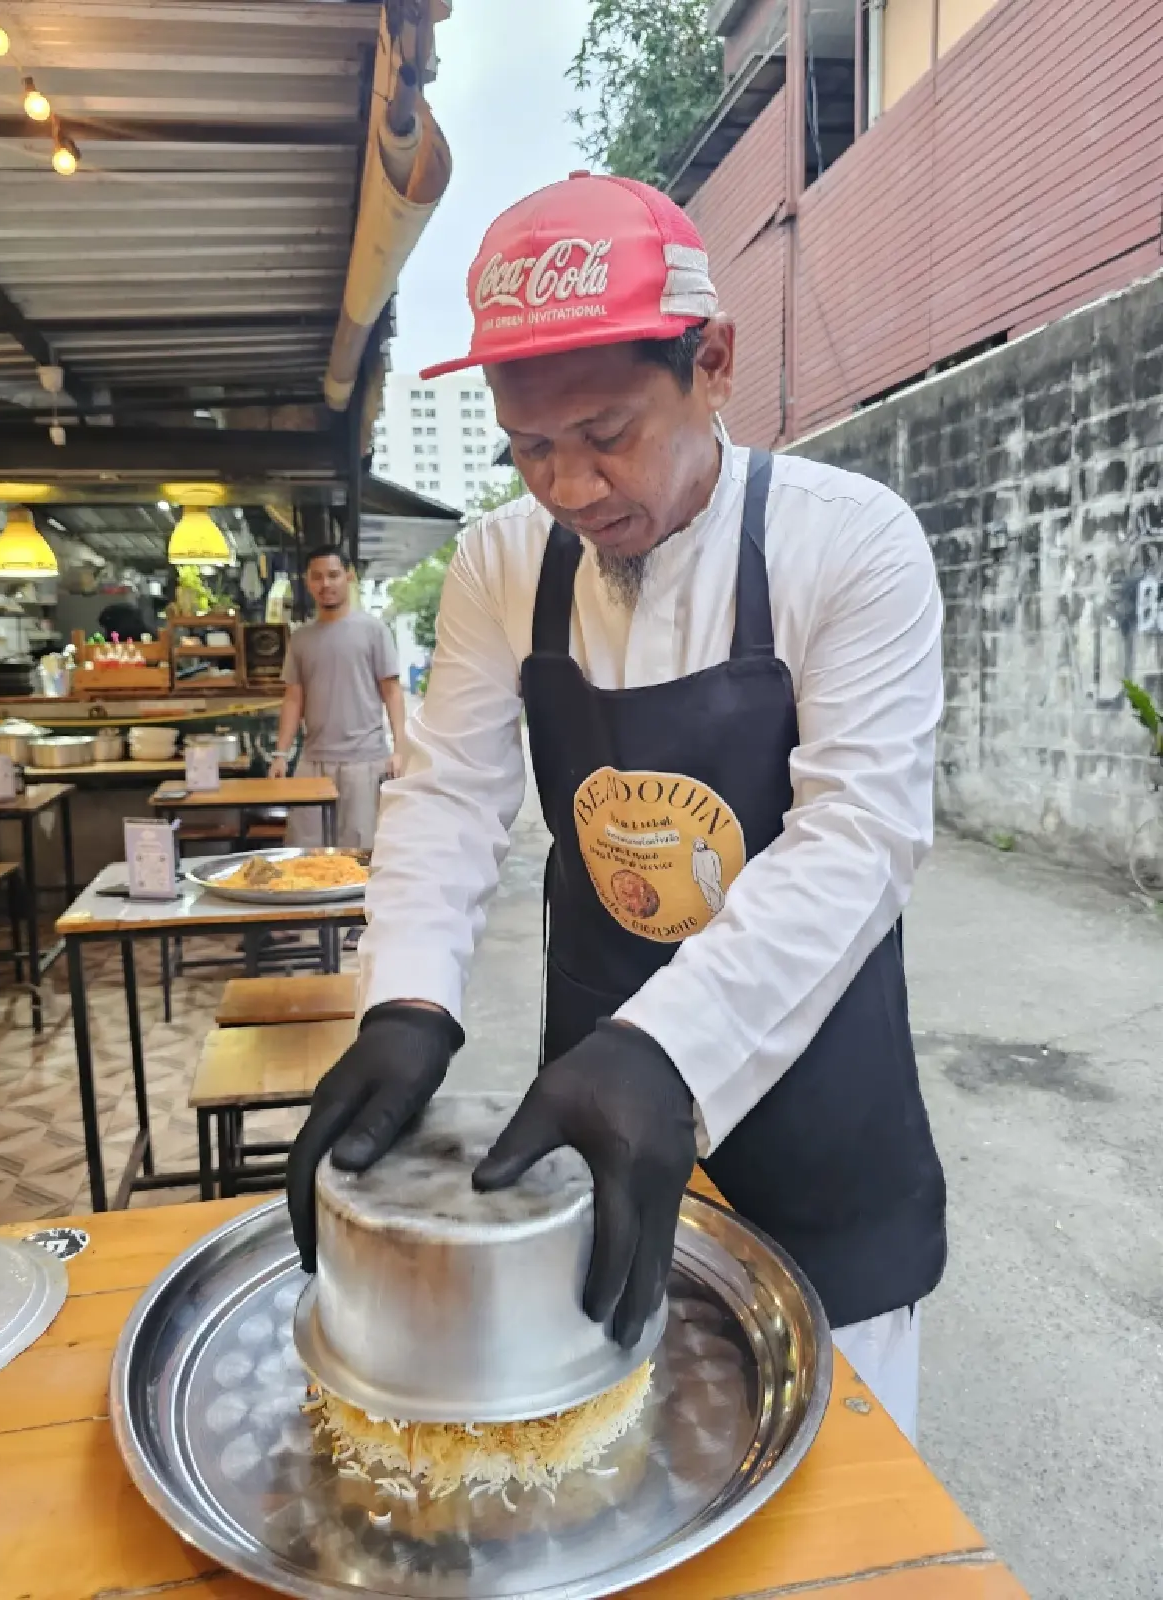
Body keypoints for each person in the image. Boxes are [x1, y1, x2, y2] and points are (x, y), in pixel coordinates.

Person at [286, 174, 947, 1441]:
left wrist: (672, 1048)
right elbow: (450, 794)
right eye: (530, 447)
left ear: (711, 363)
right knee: (594, 1454)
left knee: (837, 1497)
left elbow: (860, 836)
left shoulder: (849, 546)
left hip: (816, 1102)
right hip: (590, 1103)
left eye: (606, 431)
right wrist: (408, 996)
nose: (573, 487)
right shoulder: (497, 565)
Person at [269, 544, 406, 853]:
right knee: (304, 853)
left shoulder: (374, 630)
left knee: (360, 854)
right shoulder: (301, 638)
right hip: (312, 761)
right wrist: (280, 754)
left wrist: (400, 749)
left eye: (333, 575)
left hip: (364, 761)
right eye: (317, 577)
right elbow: (293, 699)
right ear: (307, 582)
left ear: (349, 576)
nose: (325, 584)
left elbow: (392, 692)